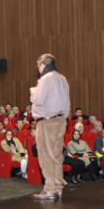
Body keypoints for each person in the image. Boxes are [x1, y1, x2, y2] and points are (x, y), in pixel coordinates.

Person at [30, 53, 70, 201]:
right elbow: (67, 102)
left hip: (46, 122)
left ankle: (49, 189)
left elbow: (39, 100)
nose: (38, 68)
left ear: (42, 64)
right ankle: (58, 188)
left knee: (46, 156)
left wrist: (33, 92)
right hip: (60, 120)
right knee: (57, 155)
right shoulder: (62, 78)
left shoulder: (45, 79)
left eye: (38, 65)